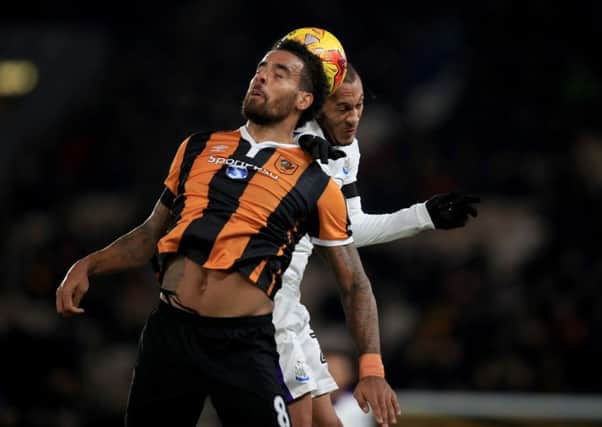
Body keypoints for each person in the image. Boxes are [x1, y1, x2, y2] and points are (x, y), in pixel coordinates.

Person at [55, 37, 401, 427]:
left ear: (304, 100)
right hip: (170, 332)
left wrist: (372, 369)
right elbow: (150, 233)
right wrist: (87, 265)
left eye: (279, 73)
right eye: (261, 69)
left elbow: (354, 282)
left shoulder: (316, 183)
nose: (261, 78)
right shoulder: (198, 147)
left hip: (245, 342)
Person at [274, 63, 480, 427]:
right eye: (342, 107)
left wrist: (423, 216)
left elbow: (346, 229)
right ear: (315, 105)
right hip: (252, 301)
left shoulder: (346, 150)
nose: (354, 118)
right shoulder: (278, 136)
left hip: (285, 306)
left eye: (359, 106)